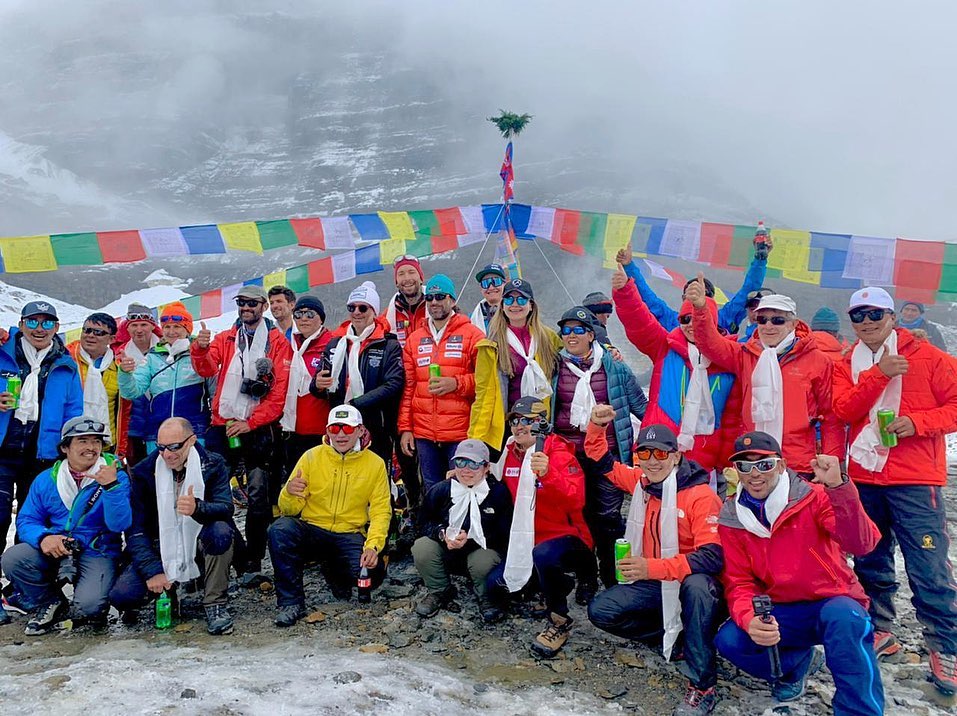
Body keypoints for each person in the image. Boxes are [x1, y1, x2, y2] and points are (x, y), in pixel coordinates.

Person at [831, 286, 957, 693]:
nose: (866, 322)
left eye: (875, 314)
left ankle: (945, 647)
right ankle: (881, 628)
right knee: (870, 556)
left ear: (891, 316)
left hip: (916, 477)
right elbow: (844, 410)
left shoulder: (930, 357)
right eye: (858, 315)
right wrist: (881, 373)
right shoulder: (848, 361)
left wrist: (917, 423)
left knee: (929, 563)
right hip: (866, 475)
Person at [714, 432, 883, 716]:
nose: (754, 474)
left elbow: (862, 544)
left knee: (847, 621)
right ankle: (796, 664)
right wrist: (749, 618)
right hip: (781, 610)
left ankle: (859, 711)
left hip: (832, 600)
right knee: (730, 640)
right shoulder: (732, 517)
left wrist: (839, 487)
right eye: (744, 466)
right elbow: (739, 581)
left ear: (781, 466)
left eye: (764, 465)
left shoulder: (814, 497)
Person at [585, 412, 724, 716]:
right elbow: (599, 458)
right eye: (643, 453)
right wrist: (597, 425)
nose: (652, 460)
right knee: (601, 611)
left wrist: (651, 568)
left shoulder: (701, 496)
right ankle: (678, 638)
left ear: (675, 456)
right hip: (656, 582)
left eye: (660, 453)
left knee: (698, 586)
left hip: (693, 586)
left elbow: (712, 557)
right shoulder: (641, 484)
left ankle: (703, 685)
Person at [687, 275, 843, 474]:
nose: (768, 326)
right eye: (762, 319)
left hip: (798, 463)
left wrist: (833, 460)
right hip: (754, 458)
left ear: (793, 324)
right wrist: (701, 309)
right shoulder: (745, 354)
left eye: (777, 320)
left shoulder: (818, 361)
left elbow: (831, 418)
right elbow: (710, 345)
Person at [191, 284, 292, 588]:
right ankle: (235, 553)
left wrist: (252, 422)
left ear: (263, 306)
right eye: (241, 303)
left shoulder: (277, 342)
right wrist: (200, 348)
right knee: (214, 491)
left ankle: (253, 559)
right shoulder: (227, 337)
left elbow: (278, 393)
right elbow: (207, 367)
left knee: (259, 495)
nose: (246, 308)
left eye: (252, 303)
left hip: (258, 430)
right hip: (223, 425)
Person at [487, 397, 596, 658]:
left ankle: (559, 618)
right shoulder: (511, 452)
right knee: (495, 585)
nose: (519, 426)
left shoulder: (557, 452)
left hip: (567, 536)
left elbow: (577, 498)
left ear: (541, 423)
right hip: (530, 539)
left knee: (545, 555)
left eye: (528, 420)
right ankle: (554, 584)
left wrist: (549, 474)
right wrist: (463, 473)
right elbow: (494, 476)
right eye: (515, 420)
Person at [2, 416, 131, 634]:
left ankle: (94, 594)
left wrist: (111, 487)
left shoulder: (115, 476)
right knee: (13, 558)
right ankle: (49, 601)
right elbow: (26, 520)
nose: (91, 448)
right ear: (65, 447)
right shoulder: (46, 479)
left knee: (89, 608)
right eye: (82, 441)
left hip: (96, 551)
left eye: (96, 441)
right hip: (58, 546)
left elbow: (120, 524)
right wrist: (44, 538)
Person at [109, 417, 237, 635]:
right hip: (160, 545)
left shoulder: (213, 463)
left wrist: (198, 508)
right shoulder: (143, 472)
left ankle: (215, 603)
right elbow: (135, 530)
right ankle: (168, 592)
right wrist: (153, 570)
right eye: (161, 448)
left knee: (221, 531)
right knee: (123, 596)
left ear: (192, 441)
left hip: (200, 539)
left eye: (175, 447)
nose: (167, 454)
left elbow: (226, 509)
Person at [549, 305, 647, 588]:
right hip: (569, 456)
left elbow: (641, 407)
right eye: (566, 330)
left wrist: (663, 440)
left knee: (607, 517)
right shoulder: (554, 367)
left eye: (578, 330)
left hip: (608, 454)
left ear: (592, 335)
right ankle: (586, 577)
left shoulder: (615, 368)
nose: (571, 335)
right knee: (577, 516)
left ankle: (612, 577)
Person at [267, 405, 392, 627]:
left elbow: (381, 510)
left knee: (372, 576)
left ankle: (335, 570)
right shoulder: (311, 457)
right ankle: (291, 602)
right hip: (313, 528)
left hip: (350, 533)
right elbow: (288, 509)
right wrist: (288, 492)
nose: (341, 434)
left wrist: (373, 546)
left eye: (347, 428)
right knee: (280, 530)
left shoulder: (375, 464)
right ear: (327, 430)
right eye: (335, 428)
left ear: (360, 430)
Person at [611, 267, 739, 475]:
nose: (690, 325)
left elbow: (732, 419)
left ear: (711, 320)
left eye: (696, 317)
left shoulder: (729, 359)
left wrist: (726, 462)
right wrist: (625, 291)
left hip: (704, 458)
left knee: (696, 507)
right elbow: (641, 322)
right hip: (658, 450)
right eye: (684, 319)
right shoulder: (665, 347)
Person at [0, 302, 83, 576]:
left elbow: (73, 411)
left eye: (47, 323)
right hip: (3, 448)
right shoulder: (3, 353)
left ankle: (20, 584)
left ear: (57, 328)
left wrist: (68, 452)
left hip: (42, 454)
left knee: (30, 520)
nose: (39, 328)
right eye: (33, 321)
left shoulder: (66, 364)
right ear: (21, 323)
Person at [399, 274, 484, 495]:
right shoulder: (415, 339)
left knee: (461, 488)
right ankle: (436, 529)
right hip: (424, 432)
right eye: (429, 298)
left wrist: (456, 383)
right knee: (432, 489)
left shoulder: (473, 335)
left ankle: (461, 529)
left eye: (440, 296)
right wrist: (406, 428)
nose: (434, 302)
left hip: (459, 431)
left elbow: (486, 382)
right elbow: (409, 388)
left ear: (453, 300)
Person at [412, 439, 513, 623]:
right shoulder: (441, 490)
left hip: (481, 550)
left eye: (474, 464)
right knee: (422, 547)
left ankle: (486, 596)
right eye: (460, 462)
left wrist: (472, 538)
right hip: (448, 549)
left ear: (486, 467)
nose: (466, 469)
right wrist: (442, 533)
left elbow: (505, 533)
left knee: (482, 561)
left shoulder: (498, 493)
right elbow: (423, 522)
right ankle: (439, 590)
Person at [316, 281, 404, 466]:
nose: (356, 312)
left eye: (363, 308)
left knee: (374, 476)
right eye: (352, 307)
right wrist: (317, 385)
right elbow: (319, 386)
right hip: (340, 423)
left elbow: (394, 383)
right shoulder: (336, 343)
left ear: (374, 312)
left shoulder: (388, 344)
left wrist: (358, 403)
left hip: (375, 423)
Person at [469, 278, 561, 453]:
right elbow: (483, 395)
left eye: (521, 299)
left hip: (540, 422)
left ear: (531, 305)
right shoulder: (490, 345)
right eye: (509, 300)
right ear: (502, 305)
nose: (515, 305)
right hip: (507, 424)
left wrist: (608, 349)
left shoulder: (547, 338)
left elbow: (575, 351)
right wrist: (475, 438)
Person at [615, 237, 771, 334]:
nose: (696, 300)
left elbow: (748, 290)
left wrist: (760, 258)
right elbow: (646, 296)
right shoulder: (672, 320)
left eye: (702, 295)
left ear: (712, 299)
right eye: (691, 295)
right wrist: (629, 266)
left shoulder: (724, 319)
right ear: (683, 298)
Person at [117, 302, 213, 450]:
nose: (171, 331)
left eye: (177, 326)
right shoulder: (152, 357)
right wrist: (125, 373)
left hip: (194, 431)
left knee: (195, 472)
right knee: (159, 473)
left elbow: (214, 390)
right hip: (158, 433)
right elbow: (131, 391)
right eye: (167, 327)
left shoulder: (200, 353)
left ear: (187, 329)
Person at [280, 294, 336, 469]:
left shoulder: (334, 344)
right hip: (291, 429)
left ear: (321, 318)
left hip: (321, 430)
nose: (303, 318)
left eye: (310, 314)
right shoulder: (287, 344)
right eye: (298, 314)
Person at [67, 312, 122, 452]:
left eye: (98, 332)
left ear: (111, 339)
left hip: (106, 443)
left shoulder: (119, 365)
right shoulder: (67, 359)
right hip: (72, 440)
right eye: (86, 330)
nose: (90, 335)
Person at [115, 303, 162, 466]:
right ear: (127, 328)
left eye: (144, 325)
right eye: (134, 325)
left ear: (153, 326)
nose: (139, 330)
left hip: (163, 420)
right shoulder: (119, 354)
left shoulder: (168, 350)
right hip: (133, 425)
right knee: (139, 472)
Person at [382, 255, 428, 347]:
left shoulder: (437, 308)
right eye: (401, 274)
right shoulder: (387, 316)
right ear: (396, 282)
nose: (407, 278)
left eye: (411, 272)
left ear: (421, 278)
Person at [469, 263, 507, 335]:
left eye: (496, 281)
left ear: (504, 284)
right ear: (481, 288)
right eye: (486, 283)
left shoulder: (515, 313)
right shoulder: (472, 318)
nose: (491, 287)